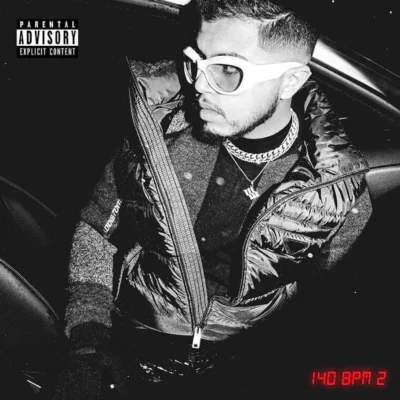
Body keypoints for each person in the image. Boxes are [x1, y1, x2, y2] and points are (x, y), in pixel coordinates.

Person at [53, 0, 372, 397]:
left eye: (227, 70)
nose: (200, 85)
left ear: (290, 81)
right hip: (129, 340)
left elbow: (328, 310)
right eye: (197, 62)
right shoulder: (157, 138)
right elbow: (97, 230)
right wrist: (88, 338)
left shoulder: (336, 193)